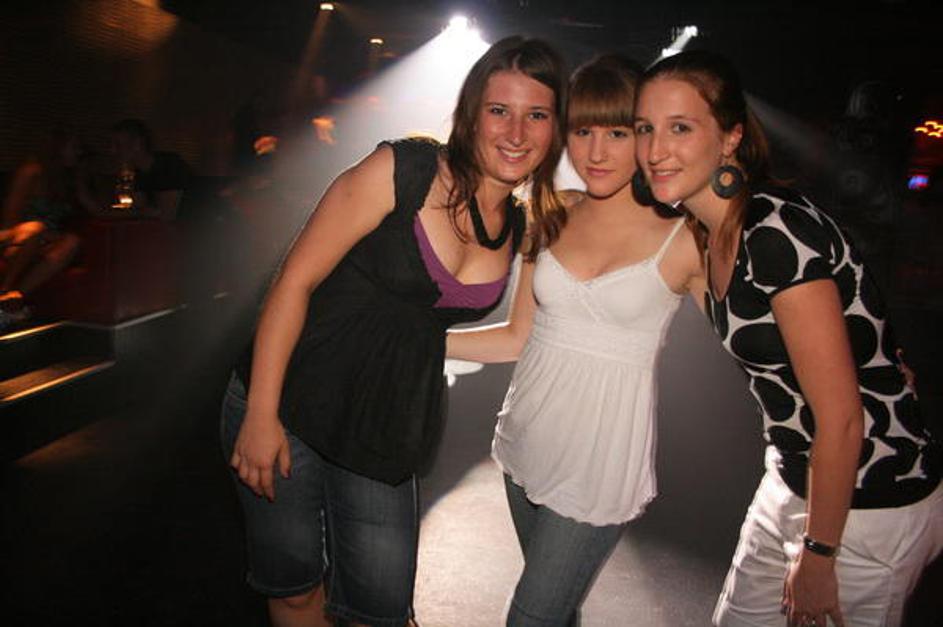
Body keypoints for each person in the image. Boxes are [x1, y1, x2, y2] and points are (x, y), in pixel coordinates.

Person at [220, 36, 567, 627]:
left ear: (554, 129)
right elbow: (294, 282)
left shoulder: (521, 226)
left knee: (380, 609)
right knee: (296, 588)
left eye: (536, 115)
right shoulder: (404, 169)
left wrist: (427, 345)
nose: (516, 132)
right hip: (291, 400)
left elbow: (514, 339)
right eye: (498, 110)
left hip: (384, 426)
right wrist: (261, 412)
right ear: (471, 115)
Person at [632, 50, 943, 627]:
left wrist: (820, 555)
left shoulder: (774, 228)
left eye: (680, 128)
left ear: (730, 138)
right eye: (645, 128)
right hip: (792, 475)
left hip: (870, 500)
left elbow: (842, 418)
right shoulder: (706, 233)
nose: (655, 149)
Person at [446, 54, 705, 626]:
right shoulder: (553, 212)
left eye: (617, 133)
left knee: (531, 617)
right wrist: (423, 340)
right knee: (557, 613)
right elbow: (517, 337)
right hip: (525, 441)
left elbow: (756, 332)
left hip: (598, 466)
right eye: (583, 131)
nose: (596, 152)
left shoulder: (686, 237)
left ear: (644, 136)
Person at [0, 127, 85, 329]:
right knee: (35, 229)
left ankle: (13, 298)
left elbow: (89, 210)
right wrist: (37, 233)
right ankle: (4, 290)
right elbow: (8, 224)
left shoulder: (65, 178)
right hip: (19, 240)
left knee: (72, 242)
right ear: (58, 148)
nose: (79, 152)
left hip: (46, 243)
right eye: (74, 147)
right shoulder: (31, 172)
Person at [88, 118, 191, 221]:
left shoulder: (169, 164)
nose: (112, 151)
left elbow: (166, 215)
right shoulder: (139, 172)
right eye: (111, 145)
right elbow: (139, 211)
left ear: (137, 144)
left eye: (118, 145)